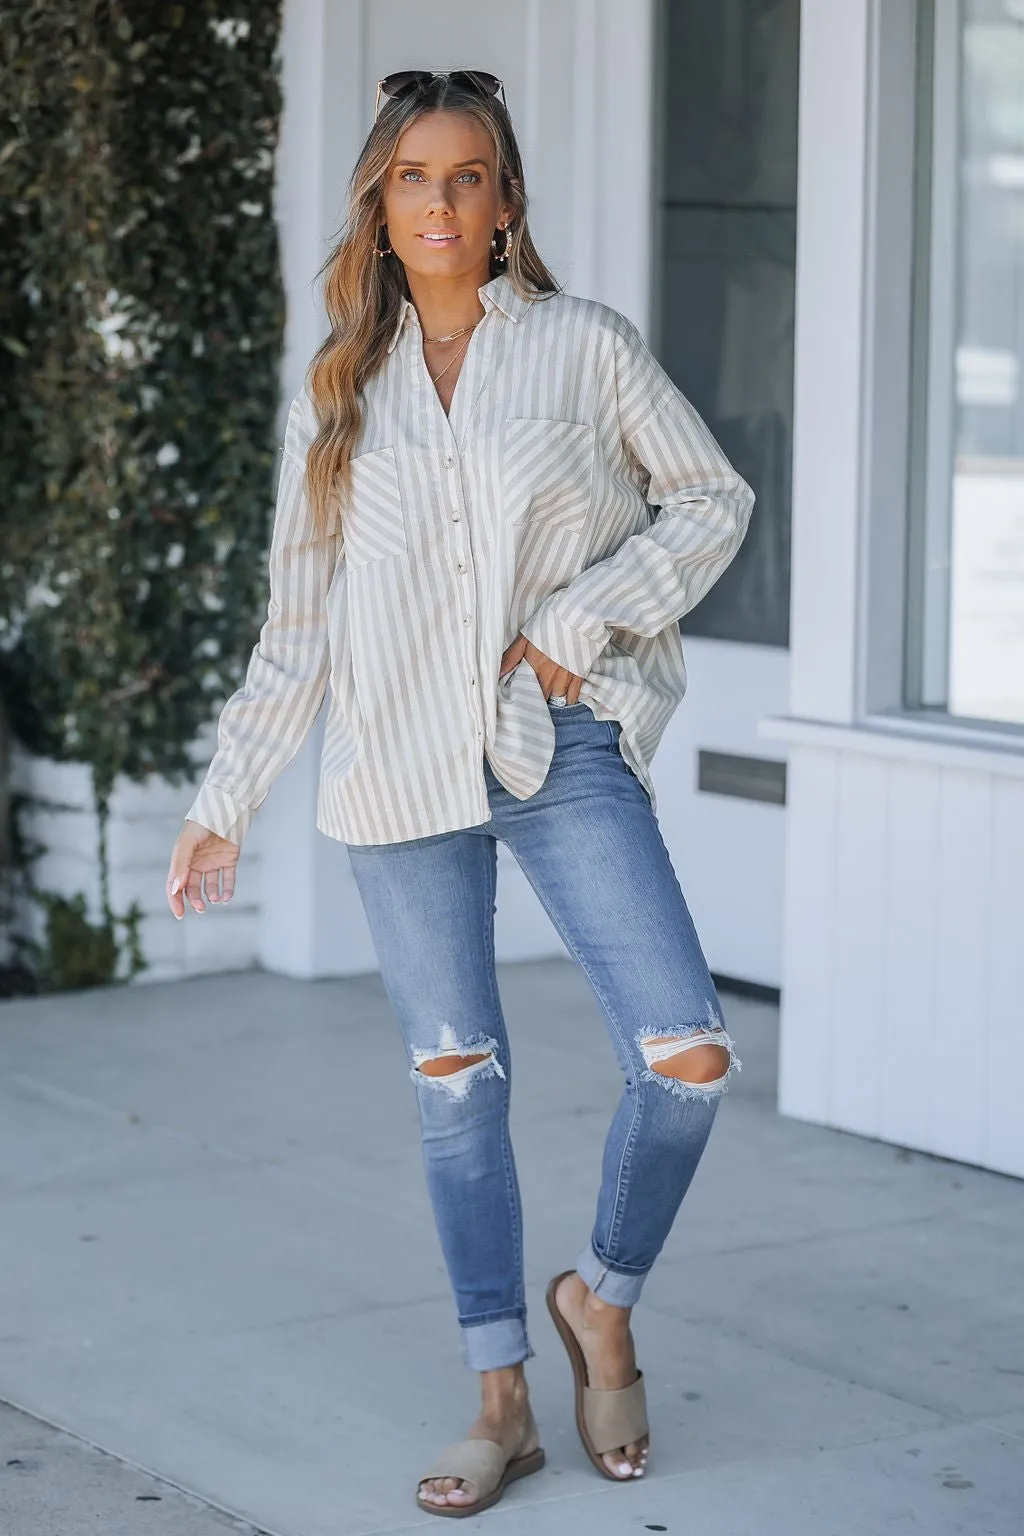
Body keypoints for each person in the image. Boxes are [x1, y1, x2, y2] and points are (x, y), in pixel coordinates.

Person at [166, 68, 754, 1519]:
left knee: (685, 1053)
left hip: (557, 741)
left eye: (469, 175)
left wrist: (578, 619)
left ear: (504, 205)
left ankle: (600, 1299)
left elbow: (712, 497)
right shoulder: (341, 398)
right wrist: (221, 796)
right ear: (381, 202)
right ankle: (502, 1397)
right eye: (415, 176)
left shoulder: (582, 348)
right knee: (457, 1087)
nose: (442, 200)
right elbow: (297, 630)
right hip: (394, 762)